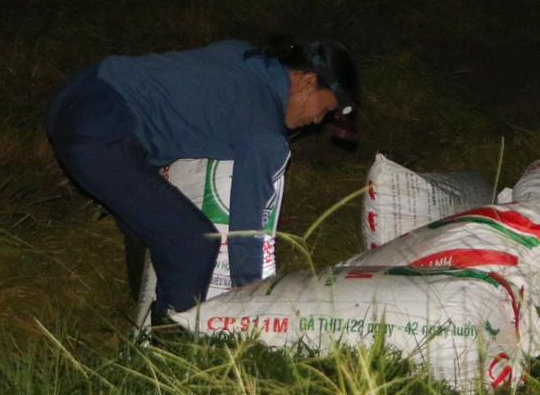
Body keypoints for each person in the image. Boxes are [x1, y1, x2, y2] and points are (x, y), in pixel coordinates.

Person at [46, 36, 359, 319]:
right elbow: (250, 234)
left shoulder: (244, 55)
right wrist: (256, 308)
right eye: (325, 110)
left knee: (149, 222)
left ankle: (139, 308)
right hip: (100, 130)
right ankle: (170, 353)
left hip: (80, 92)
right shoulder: (265, 133)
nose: (318, 121)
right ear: (306, 81)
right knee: (193, 245)